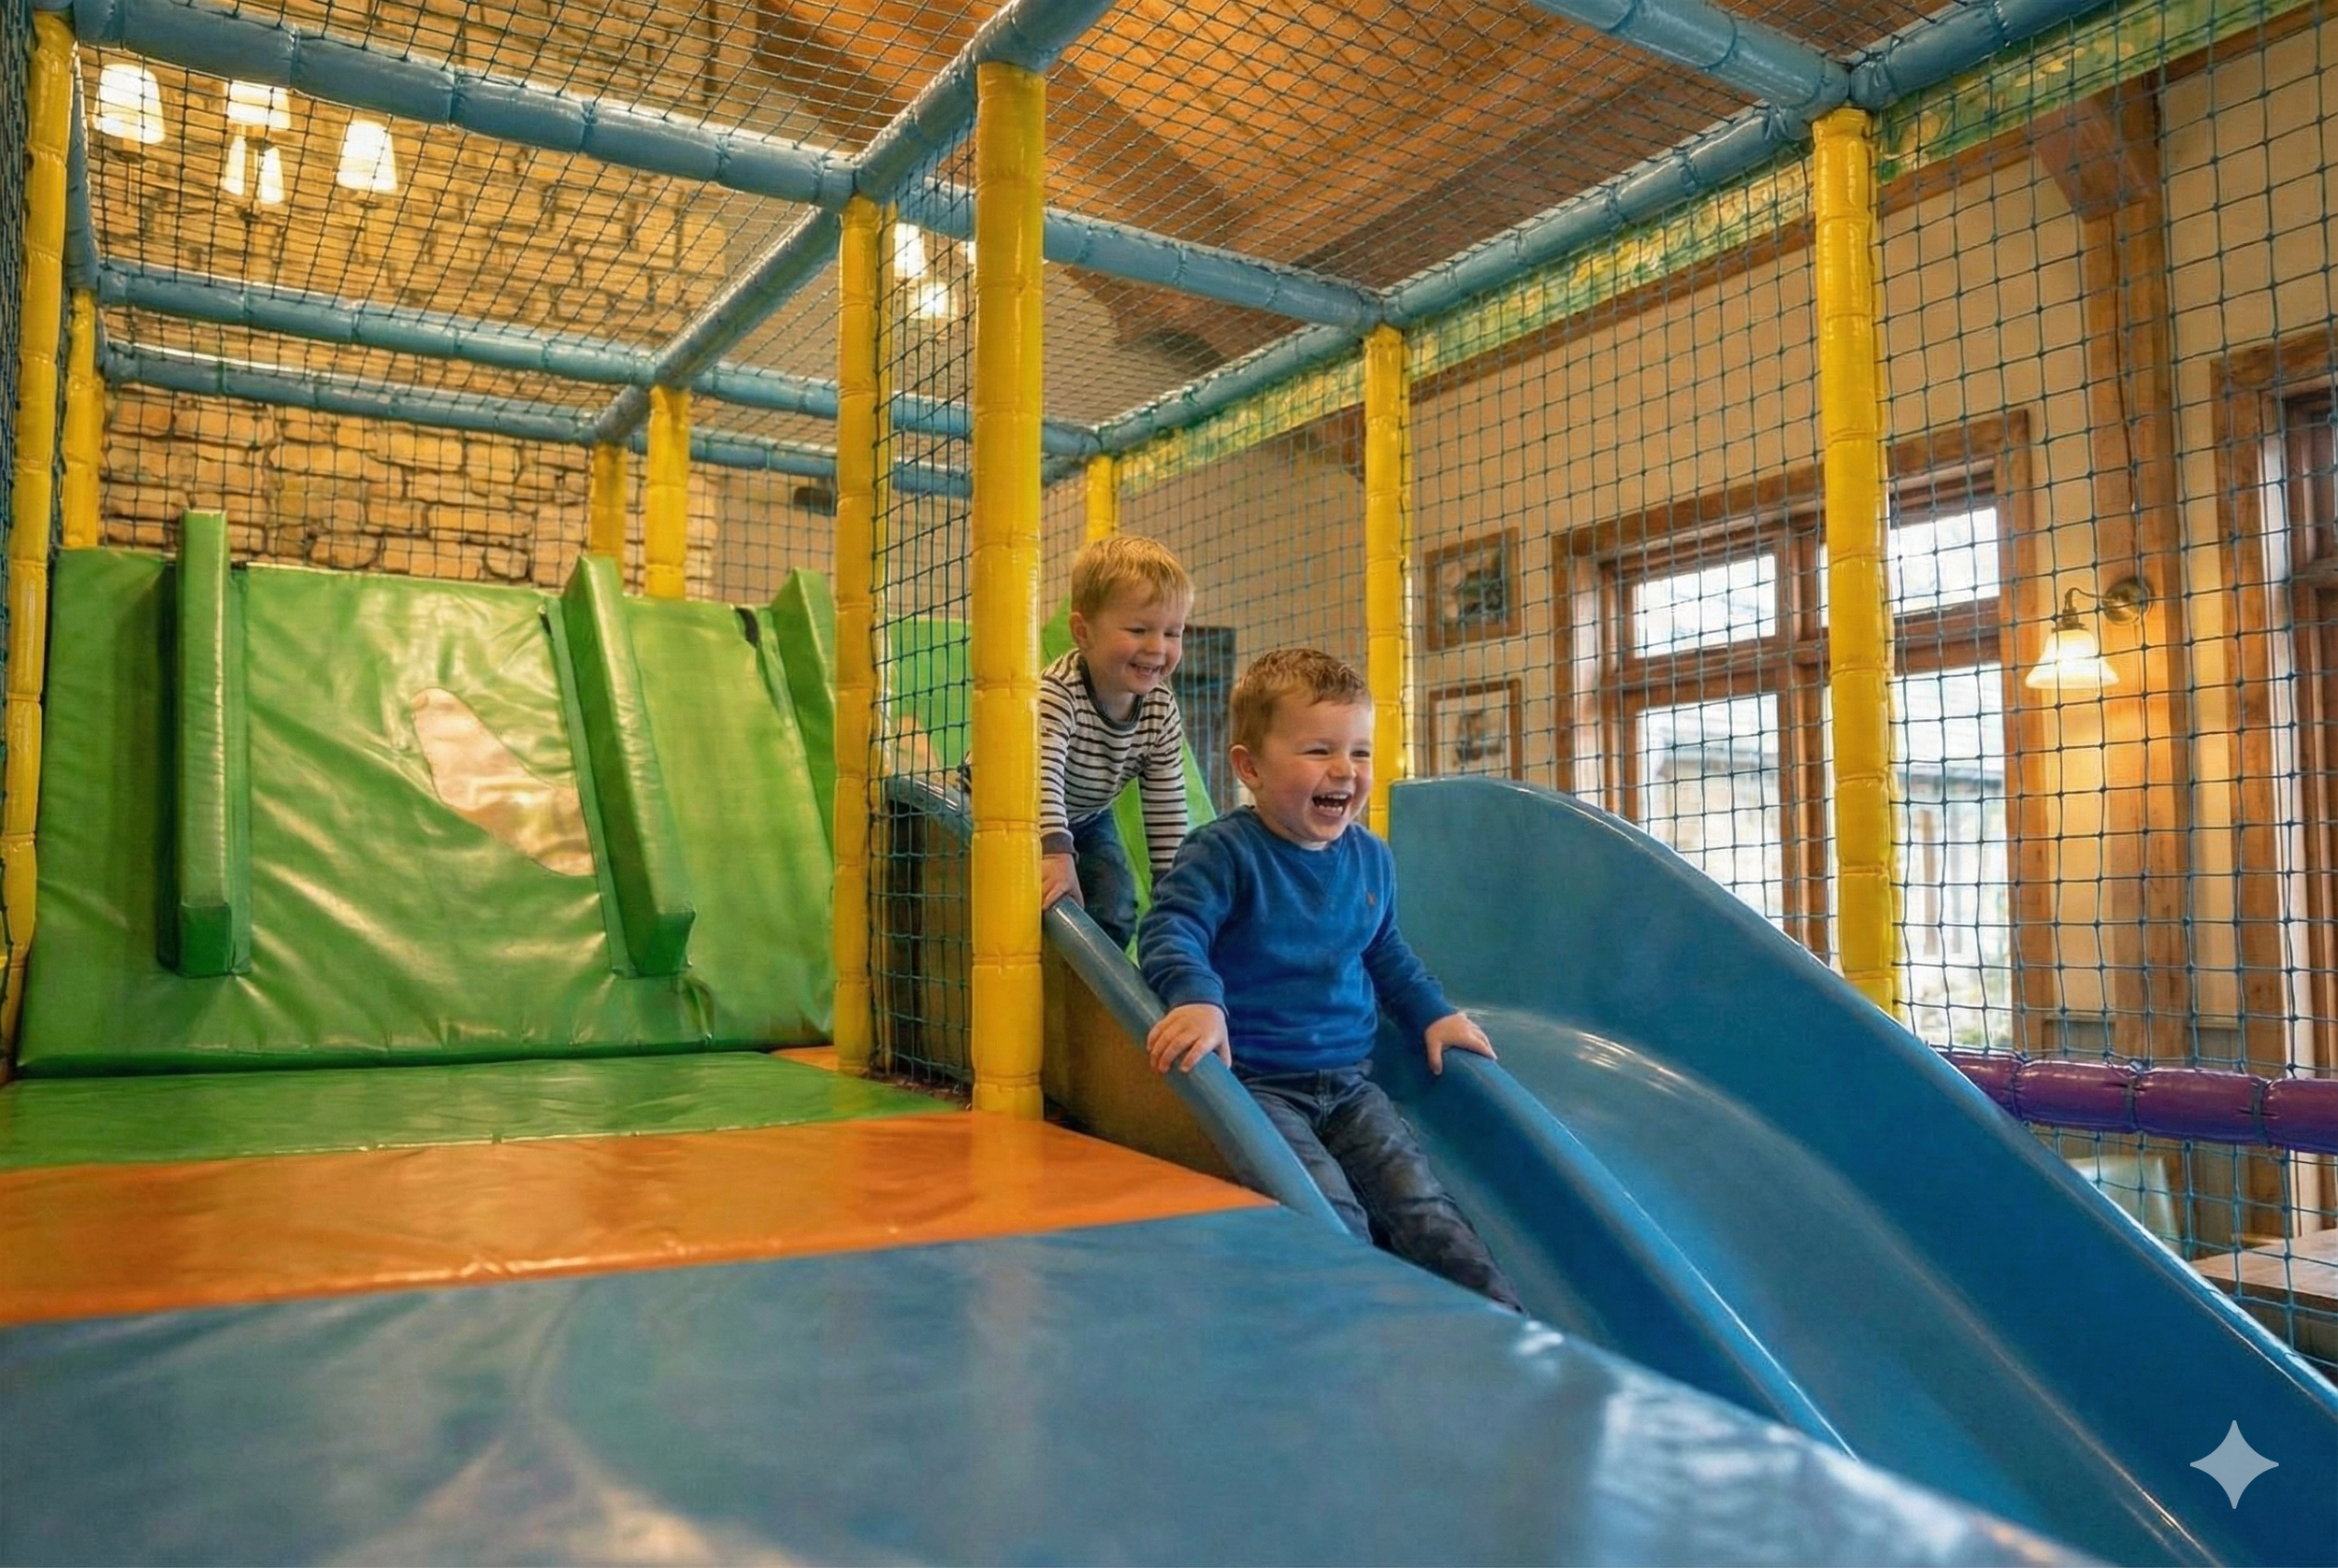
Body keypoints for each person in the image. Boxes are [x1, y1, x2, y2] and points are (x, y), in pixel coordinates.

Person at [1137, 648, 1523, 1309]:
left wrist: (1433, 1011)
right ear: (1249, 767)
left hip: (1349, 1085)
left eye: (1360, 752)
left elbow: (1385, 951)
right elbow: (1171, 930)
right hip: (1256, 1085)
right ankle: (1350, 1330)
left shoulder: (1370, 858)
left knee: (1422, 1206)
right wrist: (1199, 1000)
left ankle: (1502, 1325)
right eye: (1319, 750)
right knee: (1328, 1208)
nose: (1345, 769)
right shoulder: (1224, 852)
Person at [1030, 533, 1193, 949]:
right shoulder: (1057, 694)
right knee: (1024, 906)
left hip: (1084, 816)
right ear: (1083, 633)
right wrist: (1054, 852)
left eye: (1173, 633)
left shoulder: (1159, 710)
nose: (1157, 648)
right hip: (1009, 812)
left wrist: (1174, 892)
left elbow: (1167, 803)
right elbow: (1040, 776)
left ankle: (1088, 1003)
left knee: (1115, 909)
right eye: (1139, 629)